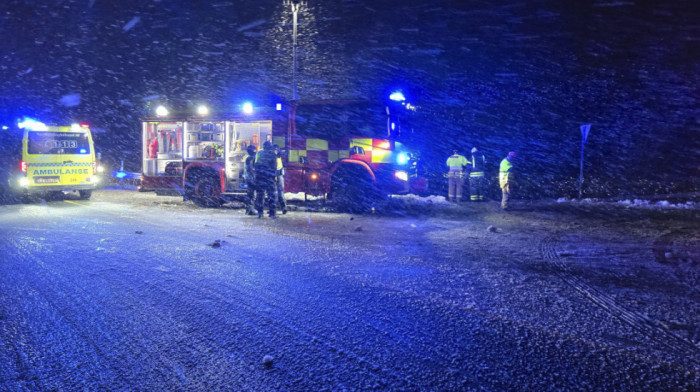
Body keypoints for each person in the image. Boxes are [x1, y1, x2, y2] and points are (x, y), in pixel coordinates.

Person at [254, 140, 278, 218]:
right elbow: (274, 167)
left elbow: (256, 164)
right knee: (271, 195)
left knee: (260, 195)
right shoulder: (272, 154)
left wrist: (257, 175)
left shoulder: (259, 153)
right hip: (269, 177)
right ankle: (272, 213)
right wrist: (274, 176)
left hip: (260, 177)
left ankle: (260, 212)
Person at [273, 144, 288, 214]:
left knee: (277, 193)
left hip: (277, 176)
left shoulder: (275, 156)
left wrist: (275, 175)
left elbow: (274, 167)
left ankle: (277, 208)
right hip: (279, 176)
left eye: (276, 150)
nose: (275, 151)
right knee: (279, 193)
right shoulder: (277, 156)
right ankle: (283, 208)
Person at [243, 145, 257, 215]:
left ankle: (248, 209)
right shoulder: (251, 158)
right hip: (251, 179)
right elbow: (252, 169)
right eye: (255, 150)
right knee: (252, 195)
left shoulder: (247, 158)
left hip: (248, 178)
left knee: (250, 194)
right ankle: (250, 209)